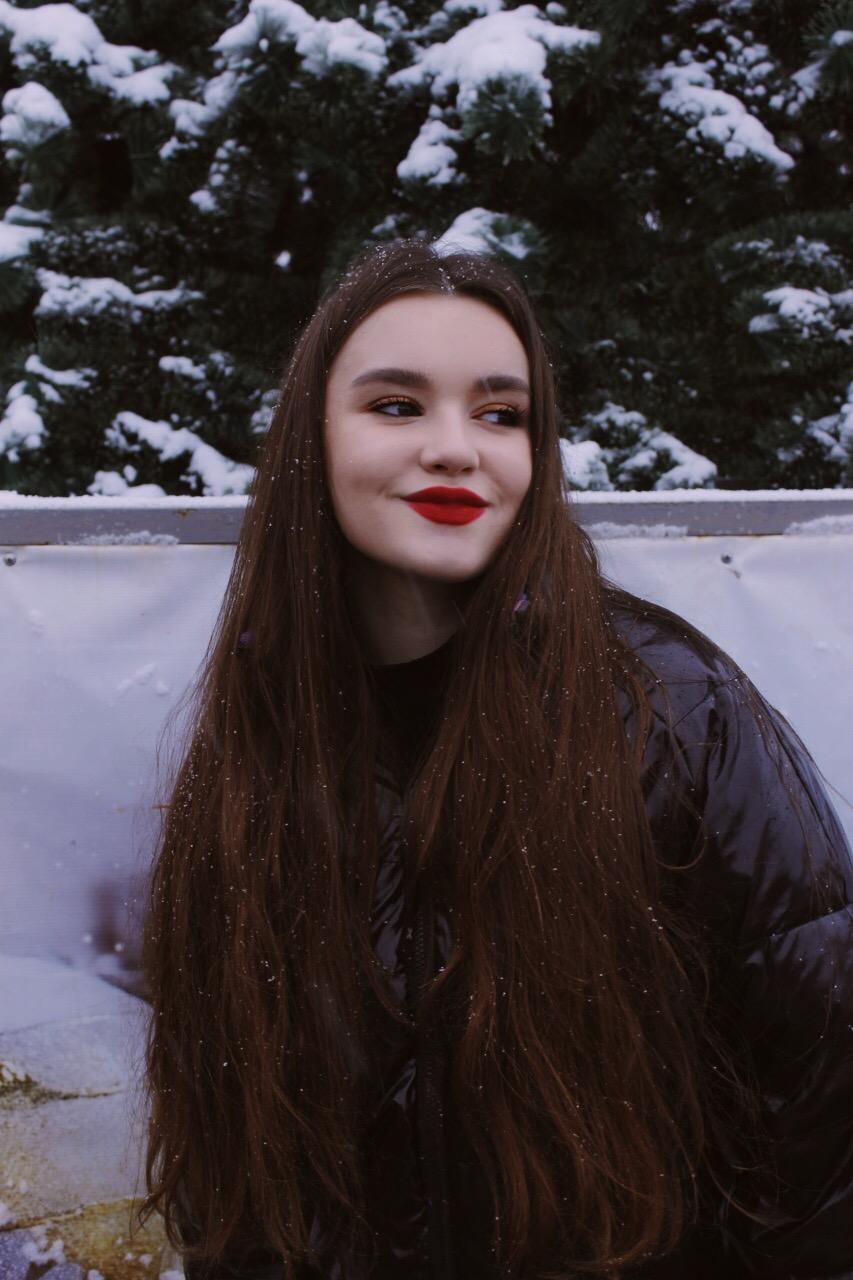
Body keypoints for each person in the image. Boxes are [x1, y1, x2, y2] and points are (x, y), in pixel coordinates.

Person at [138, 239, 853, 1280]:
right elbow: (233, 1171)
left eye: (500, 413)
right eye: (396, 405)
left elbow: (818, 1109)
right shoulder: (258, 739)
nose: (455, 449)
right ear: (309, 438)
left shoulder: (671, 708)